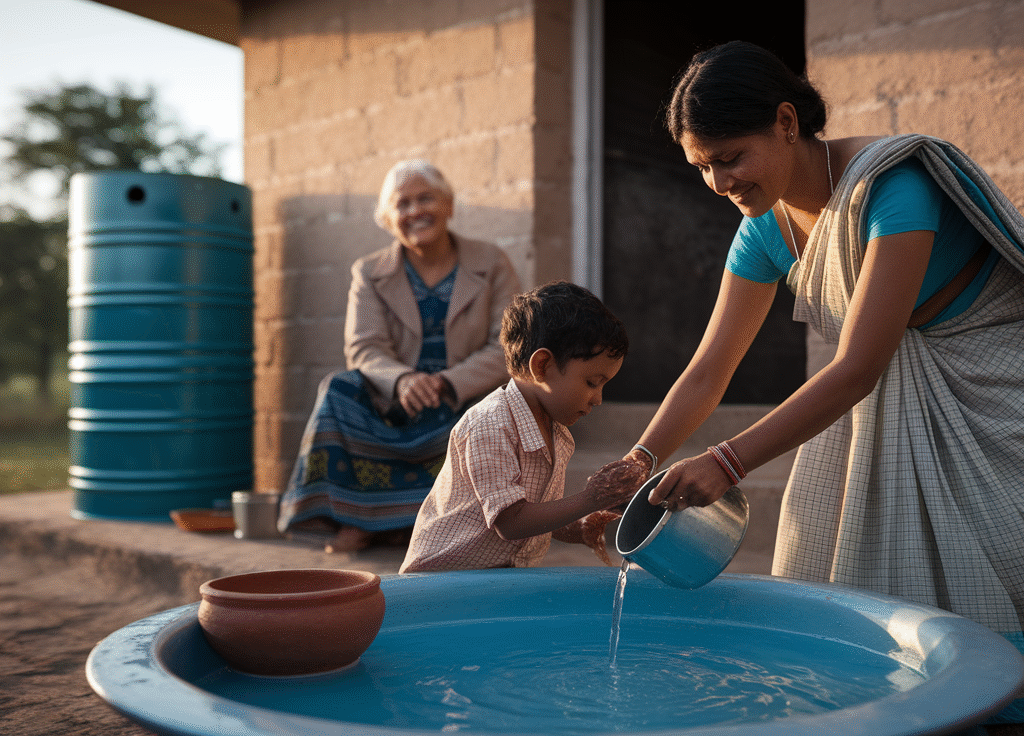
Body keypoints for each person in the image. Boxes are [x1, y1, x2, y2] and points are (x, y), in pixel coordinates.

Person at [585, 41, 1024, 721]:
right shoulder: (765, 227)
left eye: (730, 157)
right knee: (830, 552)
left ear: (787, 123)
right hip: (883, 389)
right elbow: (710, 369)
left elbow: (857, 367)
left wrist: (727, 460)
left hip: (987, 386)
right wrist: (641, 457)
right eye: (702, 167)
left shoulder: (893, 187)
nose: (720, 182)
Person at [278, 159, 522, 553]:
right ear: (388, 219)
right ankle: (358, 518)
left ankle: (425, 524)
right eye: (402, 204)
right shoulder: (369, 271)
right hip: (395, 399)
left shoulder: (491, 262)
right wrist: (403, 380)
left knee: (509, 402)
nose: (414, 211)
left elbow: (509, 344)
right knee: (338, 388)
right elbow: (364, 347)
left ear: (448, 205)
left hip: (465, 397)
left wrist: (447, 382)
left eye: (425, 198)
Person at [399, 280, 639, 572]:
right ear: (542, 366)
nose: (598, 399)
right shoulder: (489, 425)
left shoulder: (558, 433)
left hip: (495, 579)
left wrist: (579, 525)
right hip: (440, 583)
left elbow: (534, 514)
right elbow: (512, 522)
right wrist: (592, 498)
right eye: (592, 383)